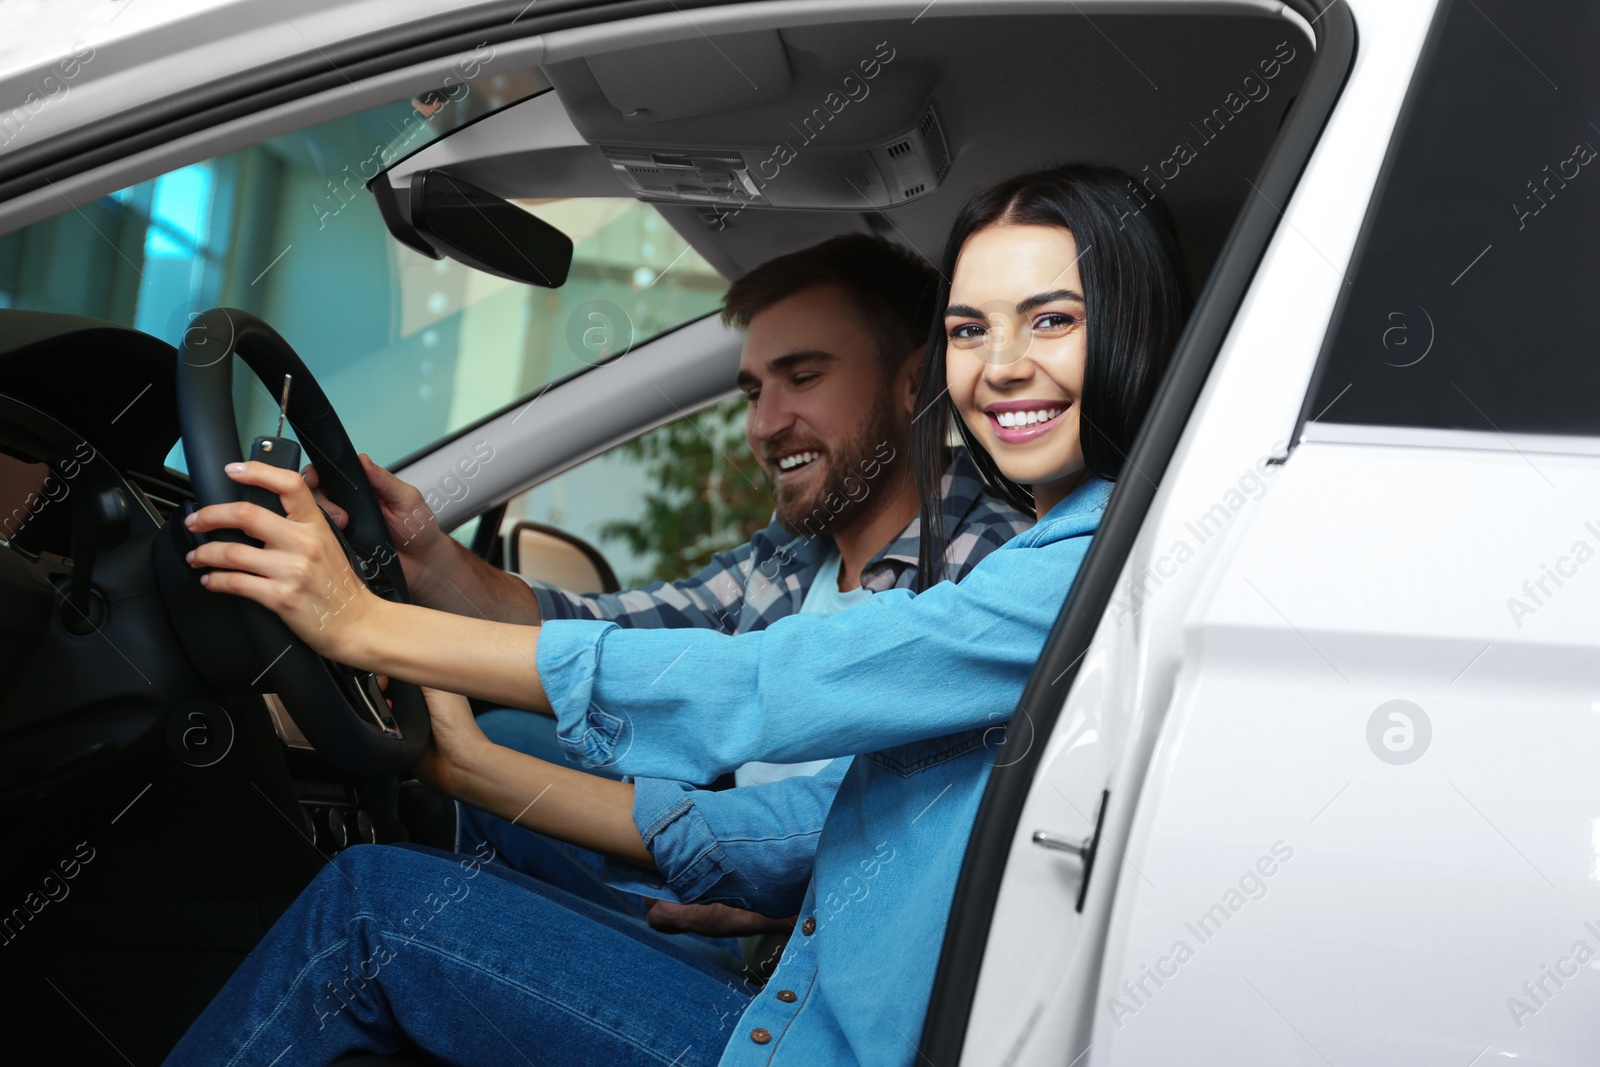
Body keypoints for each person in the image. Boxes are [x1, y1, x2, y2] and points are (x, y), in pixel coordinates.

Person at [164, 162, 1189, 1066]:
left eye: (1050, 318)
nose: (1002, 363)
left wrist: (360, 625)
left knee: (367, 915)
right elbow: (811, 818)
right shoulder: (980, 555)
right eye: (974, 326)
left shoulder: (1051, 571)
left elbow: (757, 687)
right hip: (791, 1001)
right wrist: (461, 743)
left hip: (800, 1028)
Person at [306, 234, 1031, 952]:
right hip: (740, 913)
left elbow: (847, 831)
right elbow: (599, 631)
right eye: (753, 391)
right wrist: (428, 560)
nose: (764, 425)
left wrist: (470, 759)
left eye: (803, 377)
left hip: (799, 982)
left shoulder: (995, 567)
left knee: (366, 909)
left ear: (916, 383)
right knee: (505, 745)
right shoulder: (786, 560)